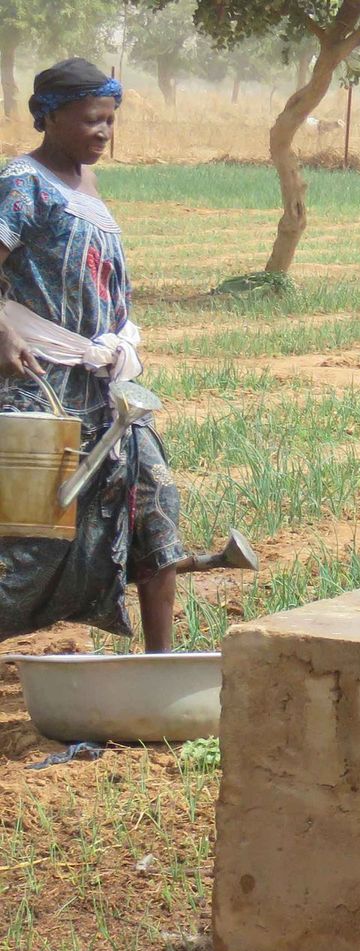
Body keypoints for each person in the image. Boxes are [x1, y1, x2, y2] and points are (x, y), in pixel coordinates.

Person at [0, 59, 254, 648]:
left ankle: (161, 662)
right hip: (43, 385)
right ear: (51, 116)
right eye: (92, 120)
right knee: (30, 537)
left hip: (109, 391)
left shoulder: (86, 185)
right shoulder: (23, 182)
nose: (103, 133)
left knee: (154, 507)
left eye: (110, 121)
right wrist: (5, 335)